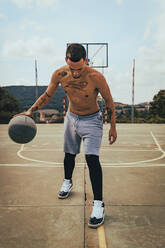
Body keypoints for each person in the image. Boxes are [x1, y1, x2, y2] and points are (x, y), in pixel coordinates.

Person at [19, 43, 117, 228]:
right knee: (68, 155)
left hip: (92, 120)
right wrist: (30, 110)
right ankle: (67, 181)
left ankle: (98, 204)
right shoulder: (59, 74)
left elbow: (109, 101)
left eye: (80, 68)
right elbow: (47, 95)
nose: (77, 73)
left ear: (86, 61)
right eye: (73, 69)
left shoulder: (96, 77)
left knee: (92, 159)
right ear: (66, 60)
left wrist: (112, 127)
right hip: (71, 118)